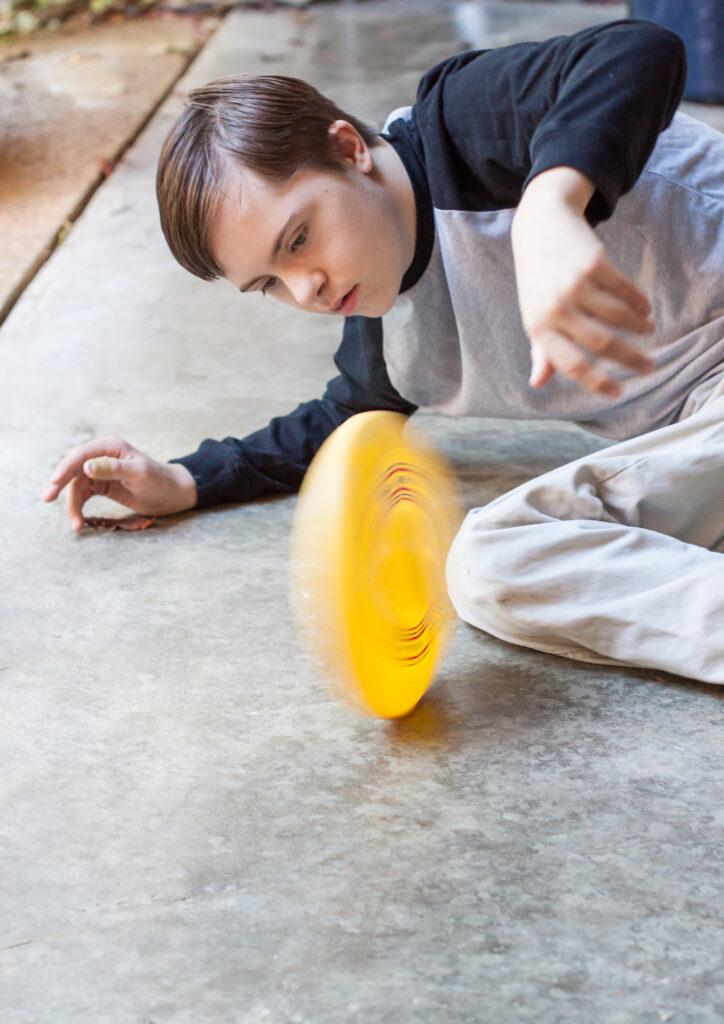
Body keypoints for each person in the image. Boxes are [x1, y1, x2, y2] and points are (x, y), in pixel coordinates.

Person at [42, 20, 724, 683]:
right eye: (269, 284)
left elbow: (639, 51)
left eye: (299, 239)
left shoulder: (459, 127)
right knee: (498, 566)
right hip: (702, 443)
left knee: (491, 552)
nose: (304, 288)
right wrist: (186, 481)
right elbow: (336, 425)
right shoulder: (389, 333)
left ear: (348, 149)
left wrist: (552, 207)